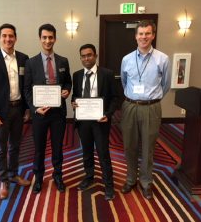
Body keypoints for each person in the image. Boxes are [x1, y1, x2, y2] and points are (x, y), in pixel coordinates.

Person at [120, 20, 171, 200]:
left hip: (151, 108)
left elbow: (166, 85)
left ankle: (146, 182)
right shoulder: (126, 59)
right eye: (140, 34)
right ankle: (131, 178)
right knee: (129, 145)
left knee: (148, 148)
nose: (144, 37)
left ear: (153, 35)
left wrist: (151, 99)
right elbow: (124, 82)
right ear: (136, 37)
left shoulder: (162, 59)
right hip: (130, 106)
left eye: (147, 33)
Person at [0, 23, 31, 200]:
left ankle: (13, 174)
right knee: (1, 148)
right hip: (0, 113)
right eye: (4, 36)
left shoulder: (24, 58)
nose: (8, 39)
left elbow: (27, 86)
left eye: (11, 36)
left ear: (15, 38)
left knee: (16, 145)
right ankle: (3, 180)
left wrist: (27, 108)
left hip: (18, 109)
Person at [24, 24, 72, 194]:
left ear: (55, 39)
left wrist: (67, 90)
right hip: (40, 114)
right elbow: (27, 89)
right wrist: (34, 108)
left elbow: (68, 82)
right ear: (40, 39)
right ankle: (38, 178)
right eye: (44, 37)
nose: (47, 40)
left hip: (58, 113)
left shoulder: (63, 61)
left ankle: (58, 176)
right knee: (39, 148)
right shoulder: (30, 63)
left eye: (50, 37)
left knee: (58, 146)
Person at [71, 44, 119, 201]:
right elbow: (75, 97)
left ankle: (109, 184)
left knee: (103, 153)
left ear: (95, 56)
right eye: (83, 56)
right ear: (80, 58)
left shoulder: (107, 74)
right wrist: (73, 103)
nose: (86, 58)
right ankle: (89, 176)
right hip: (83, 121)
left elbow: (115, 98)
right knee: (86, 152)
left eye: (89, 55)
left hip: (100, 121)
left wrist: (108, 114)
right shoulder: (77, 75)